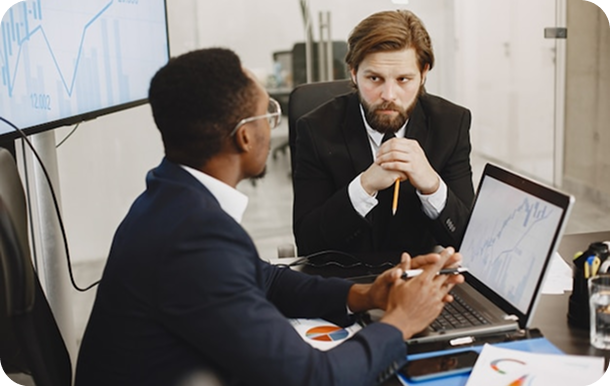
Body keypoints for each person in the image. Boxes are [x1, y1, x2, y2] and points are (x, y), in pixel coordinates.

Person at [74, 47, 465, 386]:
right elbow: (315, 380)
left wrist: (366, 294)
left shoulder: (173, 198)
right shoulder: (193, 238)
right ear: (244, 137)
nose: (272, 124)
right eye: (268, 113)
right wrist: (400, 321)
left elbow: (264, 278)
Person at [292, 10, 475, 262]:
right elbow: (308, 242)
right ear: (353, 72)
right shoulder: (316, 129)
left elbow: (470, 241)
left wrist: (432, 185)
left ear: (423, 73)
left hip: (422, 280)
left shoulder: (451, 124)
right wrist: (365, 186)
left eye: (403, 79)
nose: (389, 94)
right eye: (374, 78)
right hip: (346, 284)